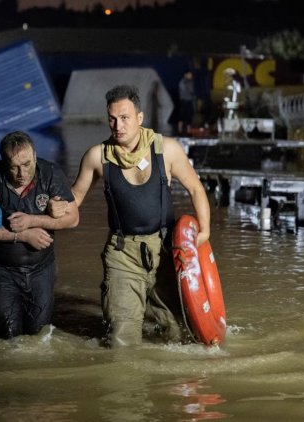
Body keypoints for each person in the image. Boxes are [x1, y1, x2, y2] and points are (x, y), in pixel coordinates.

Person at [49, 85, 211, 348]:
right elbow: (75, 198)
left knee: (176, 335)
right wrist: (56, 207)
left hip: (165, 252)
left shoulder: (167, 149)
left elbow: (195, 188)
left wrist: (204, 232)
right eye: (112, 118)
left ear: (139, 117)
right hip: (122, 254)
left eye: (124, 118)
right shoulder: (96, 156)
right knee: (121, 341)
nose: (117, 125)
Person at [0, 131, 79, 339]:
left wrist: (33, 221)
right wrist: (21, 236)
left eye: (27, 164)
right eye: (14, 167)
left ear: (35, 156)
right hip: (1, 271)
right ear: (4, 162)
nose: (22, 173)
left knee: (39, 336)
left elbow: (73, 219)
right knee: (8, 335)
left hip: (42, 270)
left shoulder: (50, 173)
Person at [177, 70, 195, 136]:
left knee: (189, 117)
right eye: (189, 74)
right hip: (183, 101)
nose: (191, 76)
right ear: (186, 75)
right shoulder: (182, 82)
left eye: (191, 75)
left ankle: (189, 131)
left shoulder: (191, 82)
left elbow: (192, 90)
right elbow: (186, 91)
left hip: (189, 101)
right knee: (181, 116)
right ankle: (179, 130)